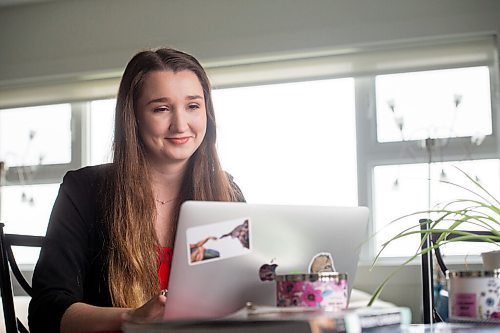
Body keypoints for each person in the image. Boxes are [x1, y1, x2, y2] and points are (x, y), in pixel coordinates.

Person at [28, 48, 245, 333]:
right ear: (133, 118)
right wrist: (132, 318)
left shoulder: (226, 193)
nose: (180, 124)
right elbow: (47, 311)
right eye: (161, 109)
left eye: (193, 106)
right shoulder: (84, 191)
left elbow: (240, 296)